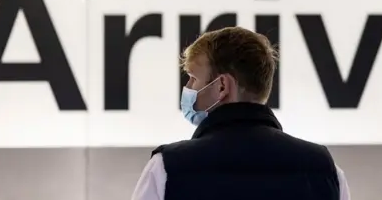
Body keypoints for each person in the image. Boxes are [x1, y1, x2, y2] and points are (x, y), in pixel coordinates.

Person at [131, 26, 351, 200]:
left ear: (222, 87)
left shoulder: (166, 169)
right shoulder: (324, 170)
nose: (189, 87)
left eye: (194, 78)